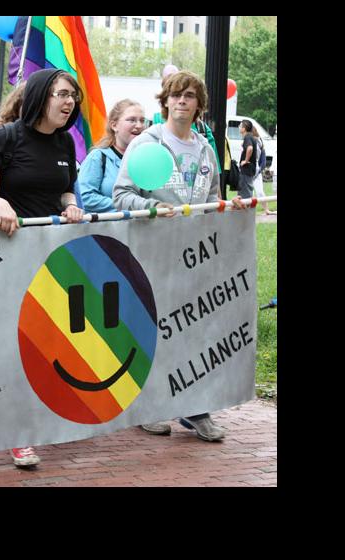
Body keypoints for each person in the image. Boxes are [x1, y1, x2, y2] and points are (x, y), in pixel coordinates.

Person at [112, 70, 247, 442]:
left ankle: (195, 408)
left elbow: (212, 198)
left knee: (194, 329)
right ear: (165, 101)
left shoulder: (204, 148)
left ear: (199, 104)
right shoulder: (147, 143)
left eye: (189, 96)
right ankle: (148, 406)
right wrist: (152, 207)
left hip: (195, 256)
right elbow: (120, 195)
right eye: (176, 95)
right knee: (153, 329)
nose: (182, 101)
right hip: (152, 253)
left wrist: (228, 208)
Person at [0, 68, 85, 466]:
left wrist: (71, 205)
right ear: (39, 96)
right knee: (14, 346)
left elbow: (65, 188)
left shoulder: (65, 141)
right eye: (61, 94)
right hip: (5, 257)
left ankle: (32, 419)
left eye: (72, 95)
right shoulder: (6, 137)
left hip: (49, 257)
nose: (69, 102)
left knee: (47, 345)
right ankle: (16, 433)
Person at [78, 99, 146, 213]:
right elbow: (85, 197)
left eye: (142, 120)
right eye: (132, 120)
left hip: (143, 223)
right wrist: (129, 205)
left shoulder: (146, 158)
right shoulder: (98, 157)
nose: (139, 125)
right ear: (114, 125)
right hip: (109, 224)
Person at [252, 126, 276, 215]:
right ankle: (264, 210)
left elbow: (263, 161)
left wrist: (258, 171)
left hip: (256, 171)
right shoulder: (254, 141)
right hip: (252, 171)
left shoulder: (258, 142)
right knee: (253, 192)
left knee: (260, 192)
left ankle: (266, 210)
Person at [237, 119, 258, 200]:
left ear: (244, 128)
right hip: (250, 170)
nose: (239, 127)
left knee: (244, 196)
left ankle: (246, 208)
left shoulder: (247, 137)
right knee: (247, 194)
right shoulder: (251, 137)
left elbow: (250, 148)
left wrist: (245, 161)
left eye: (240, 126)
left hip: (246, 170)